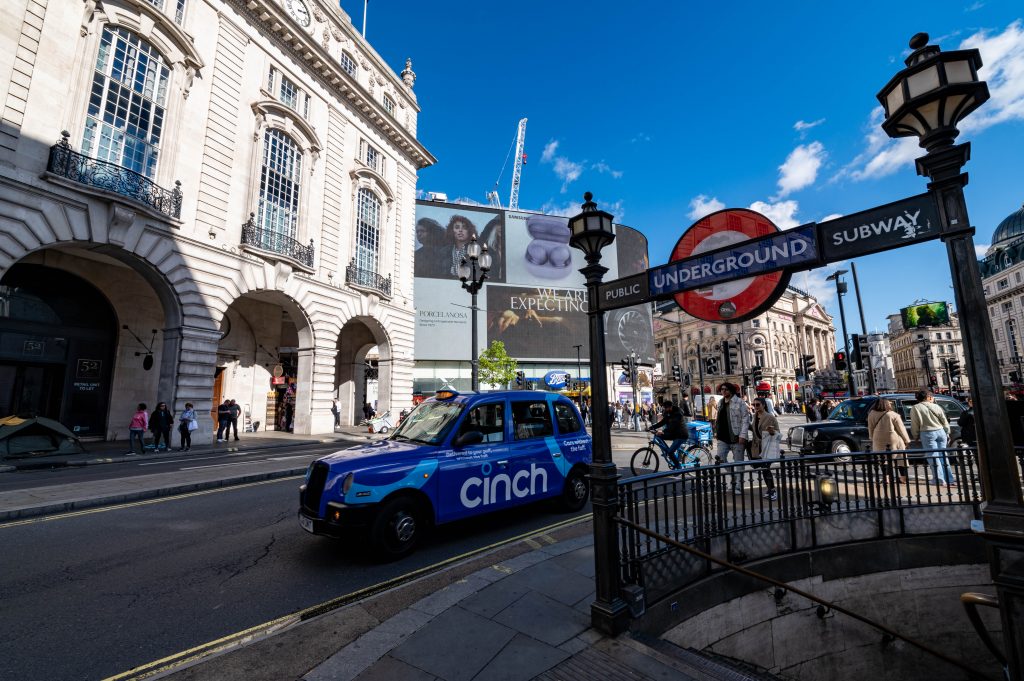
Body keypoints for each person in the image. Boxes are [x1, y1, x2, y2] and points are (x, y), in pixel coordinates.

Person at [910, 389, 955, 486]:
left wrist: (915, 435)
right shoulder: (936, 406)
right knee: (943, 455)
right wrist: (947, 432)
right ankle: (949, 479)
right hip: (941, 431)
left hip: (927, 432)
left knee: (933, 456)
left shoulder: (916, 408)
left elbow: (914, 423)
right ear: (928, 397)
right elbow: (944, 420)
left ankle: (939, 480)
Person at [714, 383, 750, 494]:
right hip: (722, 437)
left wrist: (743, 435)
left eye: (725, 389)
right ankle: (733, 476)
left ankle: (738, 486)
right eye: (722, 389)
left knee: (738, 463)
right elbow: (719, 418)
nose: (723, 391)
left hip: (736, 436)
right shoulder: (720, 402)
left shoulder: (740, 402)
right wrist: (716, 431)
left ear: (731, 391)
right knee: (720, 459)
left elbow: (745, 419)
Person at [866, 398, 911, 483]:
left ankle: (886, 478)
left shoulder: (871, 414)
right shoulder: (893, 415)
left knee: (883, 459)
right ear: (887, 405)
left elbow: (870, 428)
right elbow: (901, 429)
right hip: (894, 438)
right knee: (901, 458)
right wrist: (907, 440)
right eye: (889, 403)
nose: (891, 405)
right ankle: (903, 477)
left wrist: (872, 438)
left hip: (878, 438)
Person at [750, 397, 781, 500]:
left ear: (763, 405)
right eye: (754, 405)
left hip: (767, 446)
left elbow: (778, 433)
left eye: (758, 405)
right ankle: (770, 489)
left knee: (766, 469)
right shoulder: (755, 416)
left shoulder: (770, 417)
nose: (755, 407)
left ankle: (773, 491)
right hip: (757, 447)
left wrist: (772, 432)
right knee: (763, 469)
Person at [649, 402, 687, 468]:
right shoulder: (669, 413)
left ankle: (678, 467)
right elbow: (662, 422)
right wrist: (651, 427)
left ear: (670, 407)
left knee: (670, 452)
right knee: (658, 436)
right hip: (674, 434)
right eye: (664, 408)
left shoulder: (677, 414)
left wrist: (663, 431)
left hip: (681, 435)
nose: (665, 409)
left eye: (666, 408)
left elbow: (673, 426)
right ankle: (667, 451)